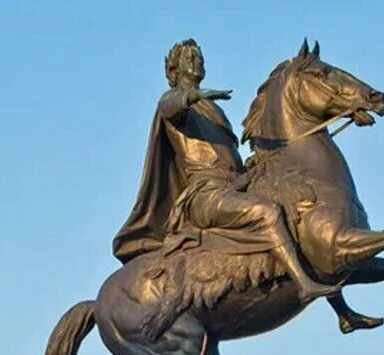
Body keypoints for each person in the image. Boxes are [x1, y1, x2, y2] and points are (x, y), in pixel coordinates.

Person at [113, 39, 339, 303]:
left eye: (200, 58)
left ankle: (342, 310)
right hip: (204, 195)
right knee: (267, 212)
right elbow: (169, 105)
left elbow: (229, 159)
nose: (198, 62)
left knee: (300, 215)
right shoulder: (180, 104)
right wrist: (192, 96)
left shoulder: (214, 110)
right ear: (174, 71)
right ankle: (304, 284)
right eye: (190, 58)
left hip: (233, 185)